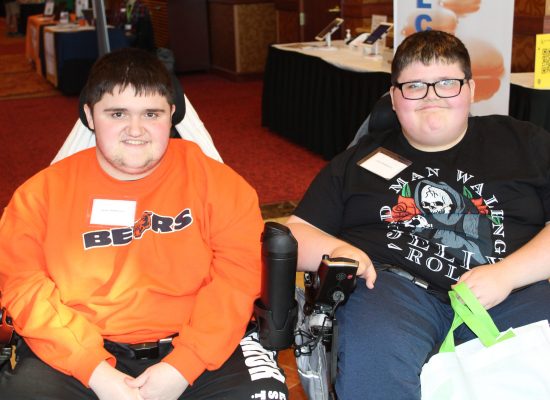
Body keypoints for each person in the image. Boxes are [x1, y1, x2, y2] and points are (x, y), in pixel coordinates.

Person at [0, 47, 288, 400]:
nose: (135, 130)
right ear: (90, 116)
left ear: (171, 115)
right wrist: (95, 372)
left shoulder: (221, 185)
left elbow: (239, 278)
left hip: (201, 345)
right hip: (75, 352)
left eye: (151, 113)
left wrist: (184, 365)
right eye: (117, 113)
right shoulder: (38, 195)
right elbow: (24, 288)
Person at [286, 30, 550, 400]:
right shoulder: (356, 162)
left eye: (447, 83)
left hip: (516, 289)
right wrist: (337, 250)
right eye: (414, 86)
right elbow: (291, 236)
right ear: (394, 98)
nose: (431, 98)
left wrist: (508, 274)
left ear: (471, 90)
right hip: (393, 292)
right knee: (375, 357)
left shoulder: (524, 143)